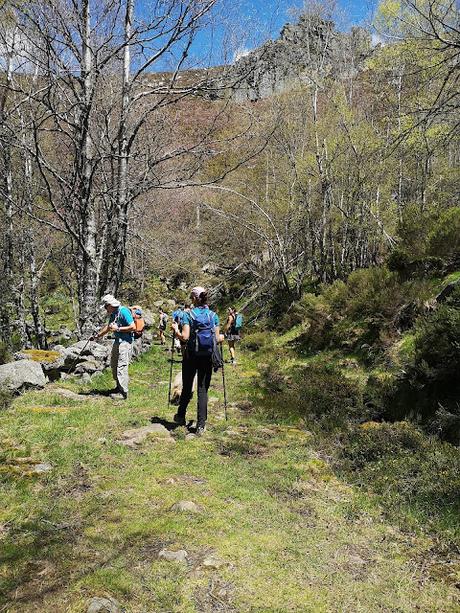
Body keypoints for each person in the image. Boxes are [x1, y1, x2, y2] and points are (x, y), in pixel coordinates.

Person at [171, 287, 222, 436]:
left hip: (191, 356)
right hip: (207, 357)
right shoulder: (213, 316)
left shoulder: (188, 315)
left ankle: (180, 416)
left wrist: (176, 330)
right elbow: (217, 339)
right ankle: (201, 425)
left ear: (194, 298)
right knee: (202, 390)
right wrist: (222, 338)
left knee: (187, 387)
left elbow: (185, 337)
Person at [92, 294, 136, 399]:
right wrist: (97, 336)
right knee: (114, 364)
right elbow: (108, 327)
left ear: (110, 305)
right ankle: (118, 387)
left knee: (122, 366)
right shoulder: (113, 313)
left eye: (105, 306)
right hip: (117, 342)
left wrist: (118, 329)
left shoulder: (124, 311)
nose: (105, 309)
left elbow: (133, 327)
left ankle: (123, 392)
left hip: (125, 342)